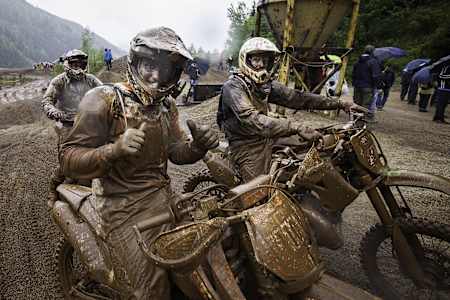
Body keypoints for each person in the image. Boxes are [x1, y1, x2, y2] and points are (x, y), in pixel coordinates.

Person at [60, 27, 218, 299]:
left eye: (165, 69)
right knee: (151, 291)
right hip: (121, 207)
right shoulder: (104, 99)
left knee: (207, 264)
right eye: (149, 65)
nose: (156, 76)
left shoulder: (166, 105)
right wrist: (114, 150)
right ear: (135, 62)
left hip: (165, 198)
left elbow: (175, 152)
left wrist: (197, 146)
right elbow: (69, 158)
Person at [217, 37, 361, 183]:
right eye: (255, 60)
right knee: (260, 192)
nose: (261, 65)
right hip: (246, 144)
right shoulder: (234, 87)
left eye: (264, 60)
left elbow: (297, 98)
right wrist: (295, 127)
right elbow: (253, 120)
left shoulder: (265, 85)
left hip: (268, 136)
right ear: (245, 60)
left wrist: (341, 103)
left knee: (314, 148)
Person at [42, 49, 102, 207]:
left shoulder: (91, 80)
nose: (77, 66)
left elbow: (106, 92)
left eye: (80, 63)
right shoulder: (59, 81)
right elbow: (47, 100)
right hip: (68, 124)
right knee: (66, 162)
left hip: (89, 124)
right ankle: (53, 190)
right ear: (67, 63)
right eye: (74, 63)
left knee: (99, 155)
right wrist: (56, 112)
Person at [352, 45, 382, 121]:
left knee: (356, 104)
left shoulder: (358, 61)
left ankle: (354, 119)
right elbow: (376, 76)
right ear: (372, 51)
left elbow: (353, 74)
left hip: (357, 85)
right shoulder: (373, 61)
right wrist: (378, 86)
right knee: (365, 105)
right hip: (368, 86)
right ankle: (361, 121)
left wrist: (354, 83)